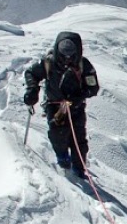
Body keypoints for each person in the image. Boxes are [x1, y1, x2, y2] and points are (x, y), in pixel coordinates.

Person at [23, 32, 100, 178]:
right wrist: (32, 89)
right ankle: (63, 158)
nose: (67, 57)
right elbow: (31, 73)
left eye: (71, 53)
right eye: (64, 53)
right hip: (55, 105)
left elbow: (93, 87)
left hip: (76, 107)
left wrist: (79, 97)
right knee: (57, 133)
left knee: (78, 139)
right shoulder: (49, 62)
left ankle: (79, 168)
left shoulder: (84, 65)